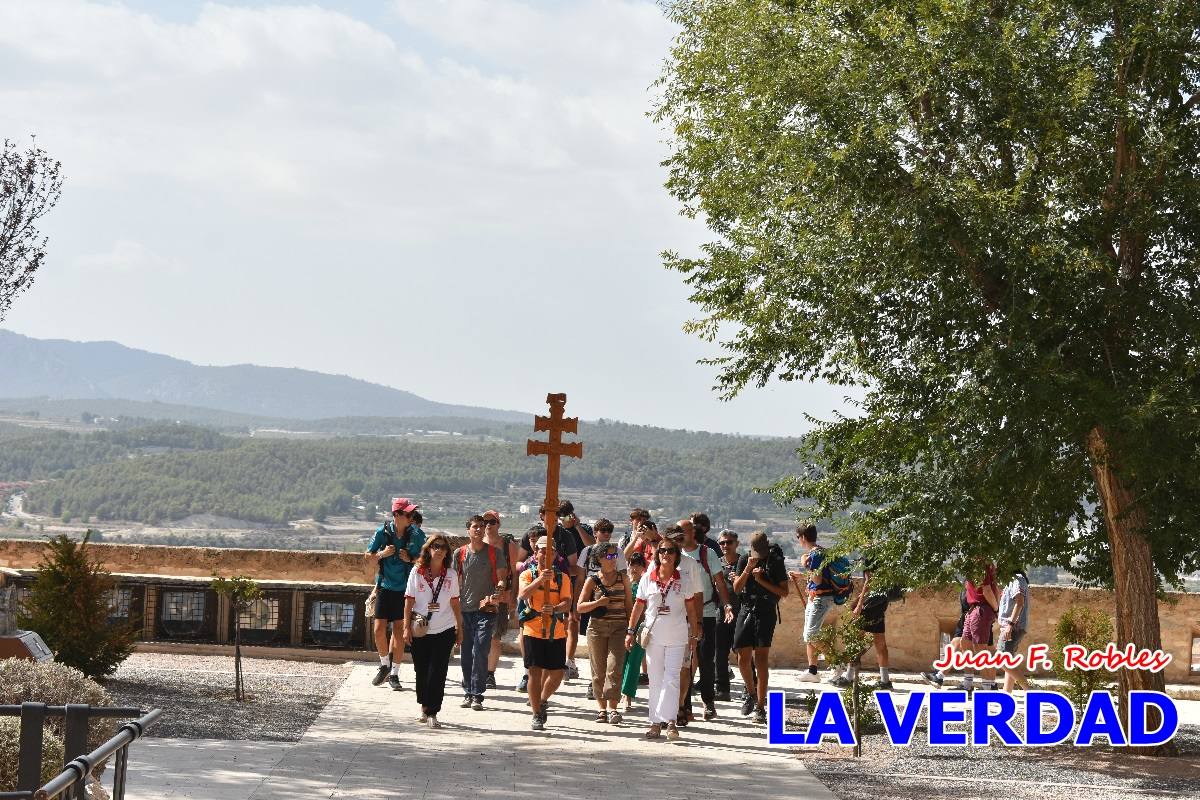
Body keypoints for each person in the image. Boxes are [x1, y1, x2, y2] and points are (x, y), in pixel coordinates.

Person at [625, 540, 699, 741]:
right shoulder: (647, 578)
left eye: (670, 551)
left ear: (676, 555)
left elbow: (691, 609)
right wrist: (630, 631)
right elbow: (638, 607)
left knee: (672, 679)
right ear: (657, 554)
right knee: (656, 679)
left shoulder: (684, 579)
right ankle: (655, 722)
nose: (665, 554)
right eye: (662, 550)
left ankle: (671, 722)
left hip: (678, 636)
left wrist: (695, 633)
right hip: (654, 636)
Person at [671, 520, 733, 723]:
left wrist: (726, 605)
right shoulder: (672, 554)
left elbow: (719, 582)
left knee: (706, 660)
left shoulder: (707, 554)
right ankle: (684, 706)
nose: (681, 534)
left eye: (684, 531)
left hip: (705, 612)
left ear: (692, 532)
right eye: (678, 531)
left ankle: (708, 701)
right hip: (681, 615)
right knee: (684, 664)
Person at [515, 507, 579, 693]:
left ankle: (540, 694)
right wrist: (534, 576)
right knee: (529, 645)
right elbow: (518, 563)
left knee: (554, 669)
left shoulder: (565, 536)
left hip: (556, 604)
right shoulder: (531, 537)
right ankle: (528, 675)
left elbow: (571, 567)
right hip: (530, 601)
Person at [402, 534, 462, 728]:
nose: (439, 550)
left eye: (443, 547)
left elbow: (455, 603)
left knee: (438, 671)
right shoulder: (417, 572)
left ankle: (432, 712)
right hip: (420, 629)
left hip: (444, 629)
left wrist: (459, 628)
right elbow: (409, 600)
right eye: (435, 546)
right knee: (421, 670)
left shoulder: (451, 575)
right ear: (428, 549)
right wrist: (405, 627)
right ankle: (424, 706)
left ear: (447, 552)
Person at [366, 497, 425, 690]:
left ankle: (395, 674)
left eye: (412, 514)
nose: (411, 517)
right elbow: (368, 557)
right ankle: (385, 664)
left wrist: (411, 557)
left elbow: (425, 558)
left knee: (399, 630)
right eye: (408, 514)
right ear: (396, 515)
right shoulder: (381, 533)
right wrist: (382, 554)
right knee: (378, 629)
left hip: (405, 589)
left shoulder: (416, 534)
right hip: (384, 586)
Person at [517, 536, 574, 731]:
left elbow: (567, 602)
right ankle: (536, 713)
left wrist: (556, 608)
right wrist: (542, 579)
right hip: (533, 628)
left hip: (555, 631)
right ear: (536, 553)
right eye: (542, 550)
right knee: (534, 671)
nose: (545, 554)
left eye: (549, 551)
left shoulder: (563, 578)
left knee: (557, 674)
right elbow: (523, 595)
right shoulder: (527, 574)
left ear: (555, 555)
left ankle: (541, 700)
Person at [732, 532, 788, 723]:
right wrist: (748, 569)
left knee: (761, 659)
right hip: (746, 609)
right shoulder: (743, 560)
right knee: (742, 655)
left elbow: (783, 592)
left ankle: (761, 706)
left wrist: (762, 580)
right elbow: (737, 588)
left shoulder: (776, 561)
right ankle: (750, 692)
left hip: (766, 611)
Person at [454, 515, 508, 710]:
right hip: (464, 610)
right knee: (466, 652)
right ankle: (468, 691)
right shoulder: (459, 554)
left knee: (481, 650)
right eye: (475, 526)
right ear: (468, 530)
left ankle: (477, 694)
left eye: (482, 526)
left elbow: (502, 579)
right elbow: (453, 582)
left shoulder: (495, 553)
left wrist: (499, 590)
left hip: (486, 610)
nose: (479, 529)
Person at [577, 542, 632, 724]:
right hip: (597, 629)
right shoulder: (592, 580)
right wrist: (597, 603)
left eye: (615, 555)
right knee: (598, 670)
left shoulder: (623, 578)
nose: (613, 559)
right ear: (600, 559)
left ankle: (613, 708)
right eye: (609, 556)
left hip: (619, 628)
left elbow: (629, 606)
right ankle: (601, 709)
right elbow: (580, 607)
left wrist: (631, 630)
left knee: (614, 668)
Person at [789, 524, 845, 686]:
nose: (798, 540)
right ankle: (813, 671)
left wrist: (804, 563)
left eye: (798, 537)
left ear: (803, 537)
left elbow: (818, 579)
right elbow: (819, 577)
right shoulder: (820, 552)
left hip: (820, 600)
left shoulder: (814, 554)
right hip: (817, 598)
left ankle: (836, 664)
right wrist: (801, 575)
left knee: (810, 635)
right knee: (810, 634)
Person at [576, 517, 627, 699]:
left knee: (613, 661)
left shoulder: (618, 553)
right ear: (596, 532)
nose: (606, 534)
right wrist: (577, 607)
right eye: (603, 530)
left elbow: (623, 576)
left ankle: (610, 697)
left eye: (609, 531)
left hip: (615, 612)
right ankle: (596, 689)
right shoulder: (586, 551)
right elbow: (580, 579)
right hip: (593, 607)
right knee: (597, 657)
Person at [558, 500, 594, 681]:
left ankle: (570, 660)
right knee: (561, 621)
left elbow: (592, 545)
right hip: (559, 580)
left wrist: (578, 526)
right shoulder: (557, 532)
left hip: (579, 580)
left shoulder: (583, 528)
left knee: (573, 620)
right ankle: (560, 658)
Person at [482, 509, 518, 690]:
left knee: (495, 637)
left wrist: (513, 596)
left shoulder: (507, 545)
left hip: (502, 596)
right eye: (485, 521)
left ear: (498, 524)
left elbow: (515, 571)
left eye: (492, 521)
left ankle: (489, 674)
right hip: (479, 596)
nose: (488, 525)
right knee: (478, 637)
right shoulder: (478, 542)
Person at [713, 529, 746, 702]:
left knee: (743, 651)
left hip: (742, 612)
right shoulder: (717, 564)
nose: (725, 545)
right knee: (720, 651)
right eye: (722, 543)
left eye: (729, 542)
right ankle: (722, 688)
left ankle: (750, 688)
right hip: (721, 612)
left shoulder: (744, 562)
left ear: (736, 543)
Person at [620, 551, 649, 711]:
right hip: (622, 627)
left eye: (638, 564)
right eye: (632, 564)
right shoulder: (624, 583)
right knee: (622, 660)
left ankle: (628, 695)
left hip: (640, 628)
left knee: (634, 662)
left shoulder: (646, 584)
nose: (635, 568)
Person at [997, 567, 1030, 692]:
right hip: (1011, 626)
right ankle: (1007, 694)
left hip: (1012, 627)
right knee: (1008, 660)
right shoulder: (1011, 581)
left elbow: (1019, 602)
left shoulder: (1017, 579)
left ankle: (1030, 691)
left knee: (1002, 660)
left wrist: (1010, 625)